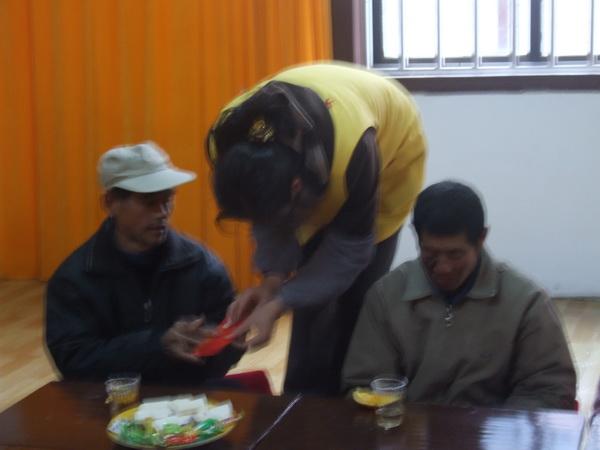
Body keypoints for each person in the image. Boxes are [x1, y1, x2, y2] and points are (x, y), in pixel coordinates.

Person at [206, 62, 427, 394]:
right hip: (314, 156)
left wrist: (281, 302)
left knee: (354, 303)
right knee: (309, 319)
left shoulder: (356, 154)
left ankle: (348, 399)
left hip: (390, 148)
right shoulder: (228, 143)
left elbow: (349, 251)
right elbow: (266, 218)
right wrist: (271, 283)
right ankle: (304, 400)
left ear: (296, 187)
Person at [342, 180, 577, 409]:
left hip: (492, 429)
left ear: (481, 238)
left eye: (455, 254)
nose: (443, 268)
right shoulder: (386, 296)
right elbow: (364, 385)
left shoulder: (524, 302)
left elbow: (550, 389)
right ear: (416, 236)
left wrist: (497, 428)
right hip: (407, 429)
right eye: (430, 253)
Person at [45, 142, 243, 383]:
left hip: (188, 399)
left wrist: (221, 342)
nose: (162, 212)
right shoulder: (74, 279)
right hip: (110, 400)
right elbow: (73, 360)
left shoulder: (204, 267)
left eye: (168, 199)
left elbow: (227, 349)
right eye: (149, 202)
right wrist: (157, 346)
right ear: (109, 203)